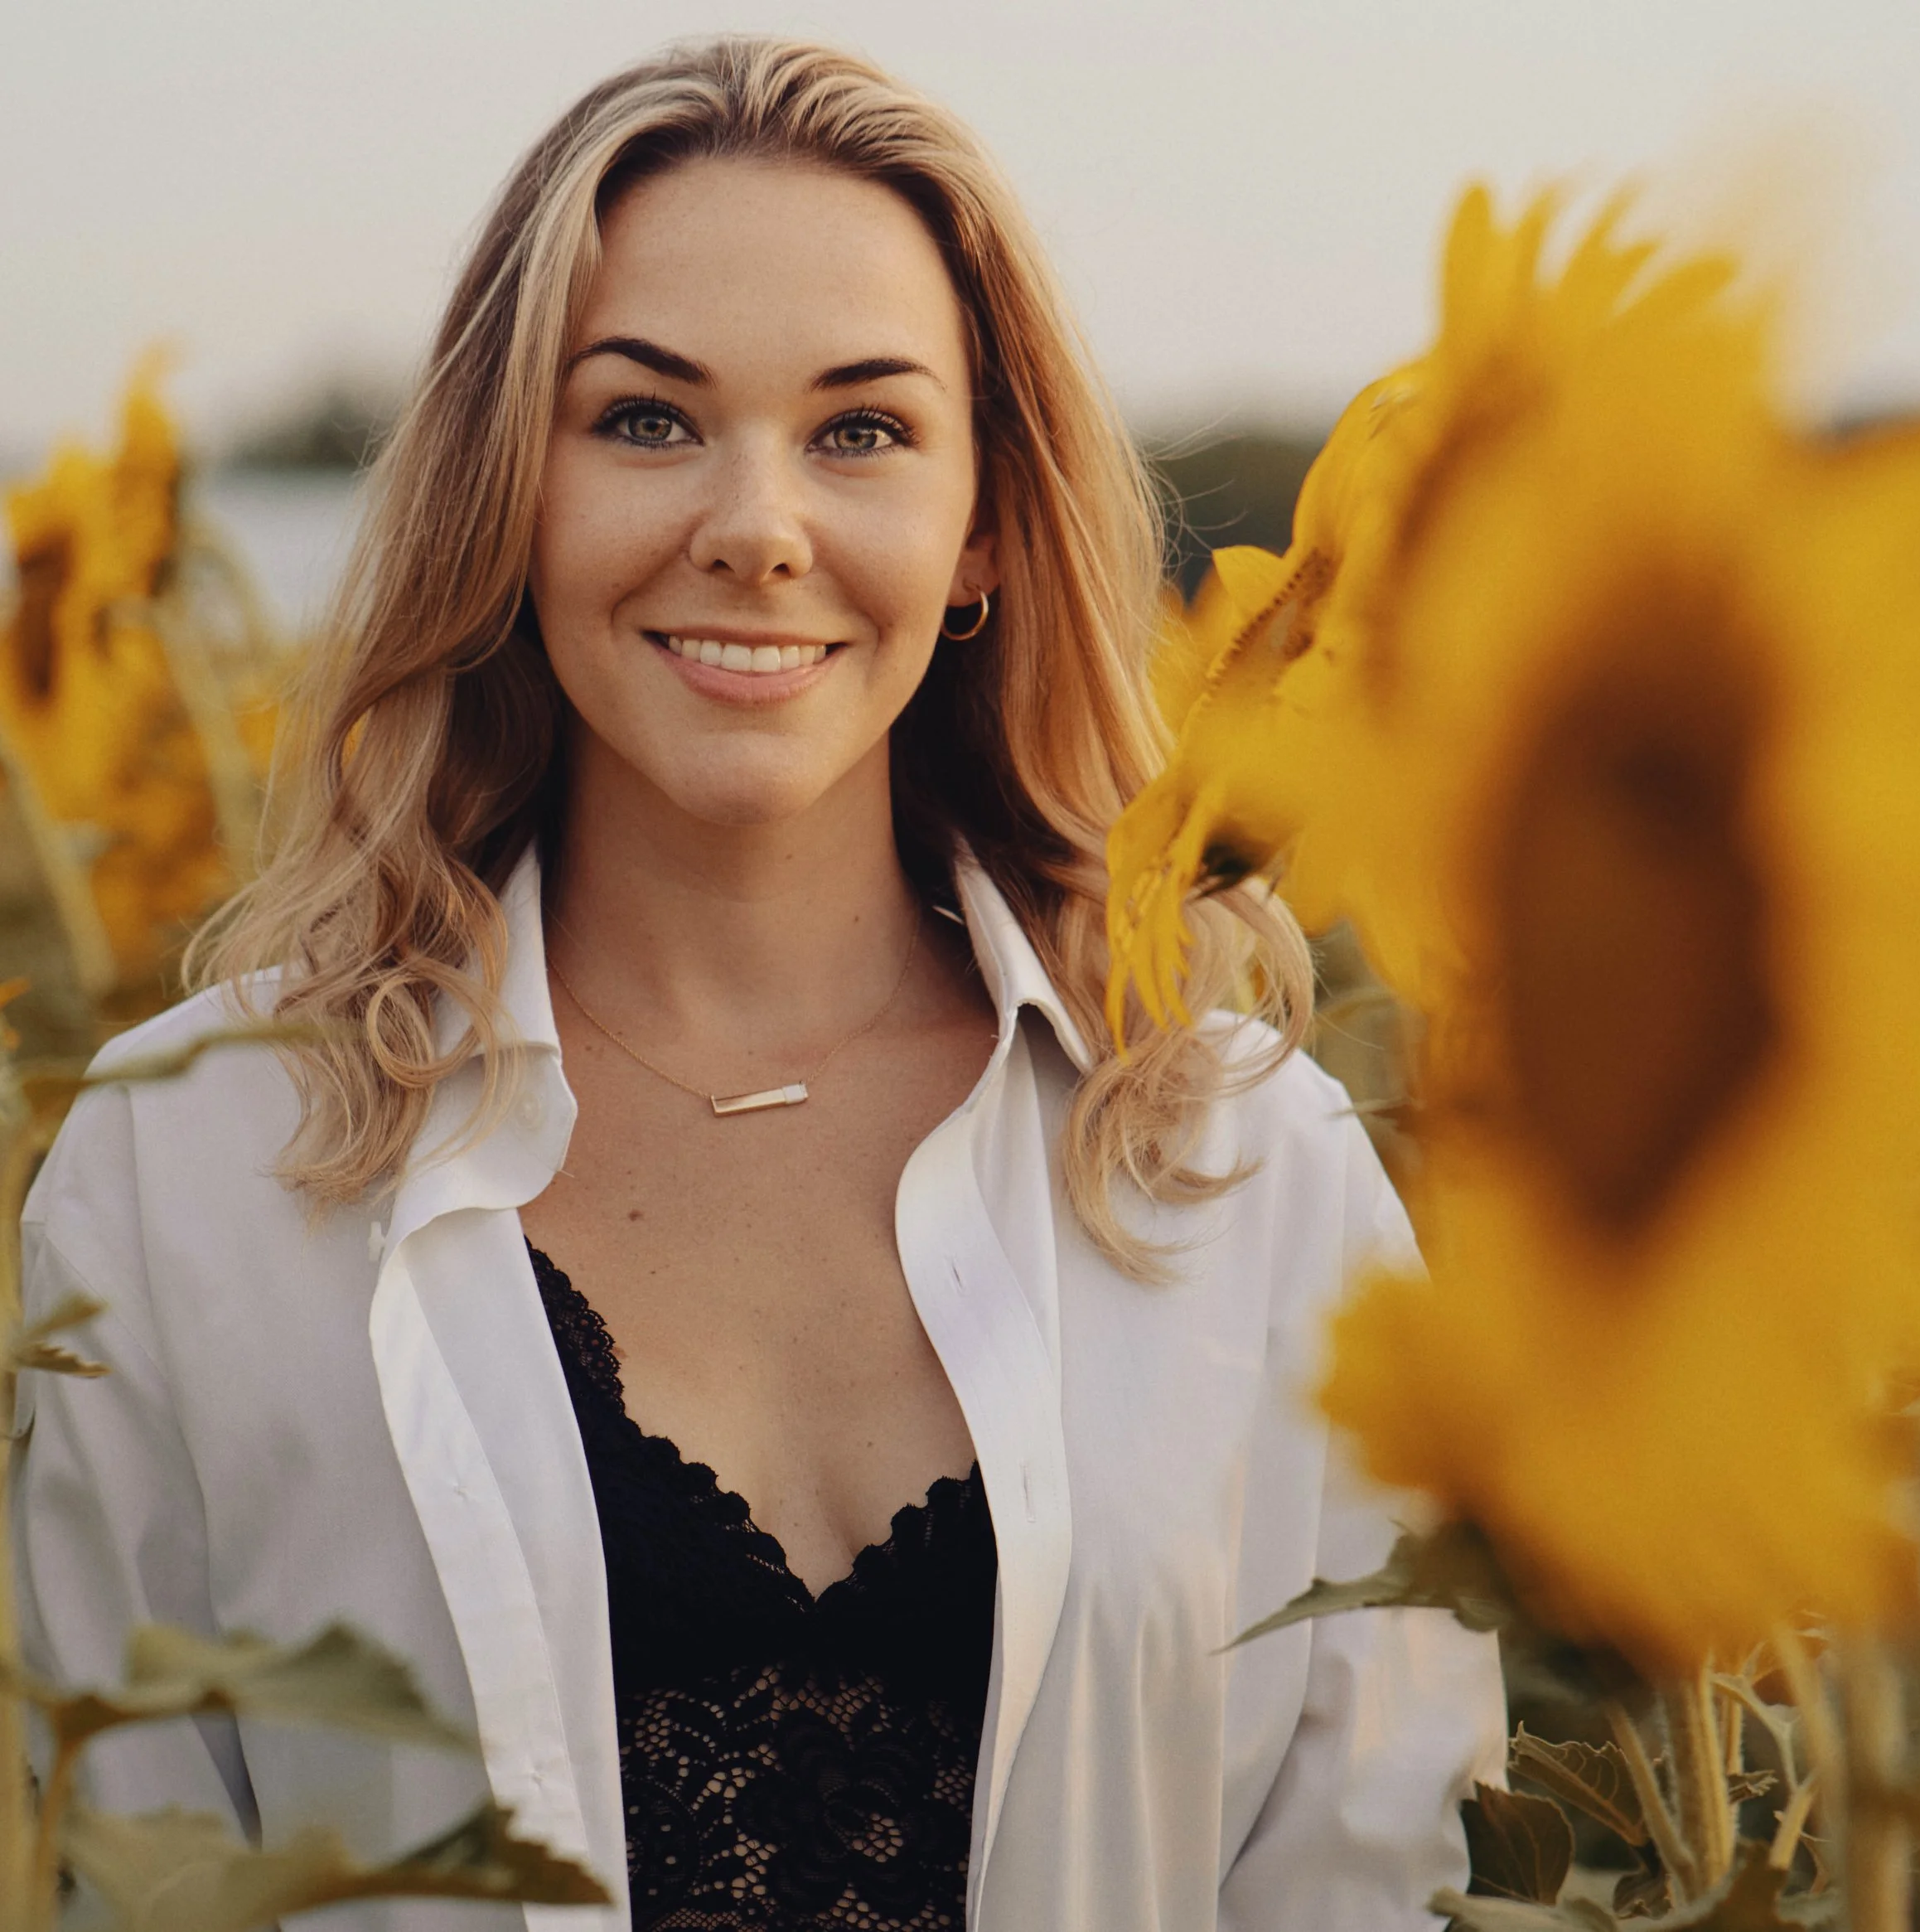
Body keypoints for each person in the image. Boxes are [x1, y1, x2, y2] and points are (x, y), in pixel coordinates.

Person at [13, 36, 1505, 1932]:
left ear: (979, 529)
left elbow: (1360, 1877)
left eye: (861, 430)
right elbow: (125, 1862)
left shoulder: (1248, 1173)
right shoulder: (193, 1167)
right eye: (644, 419)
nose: (757, 522)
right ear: (509, 493)